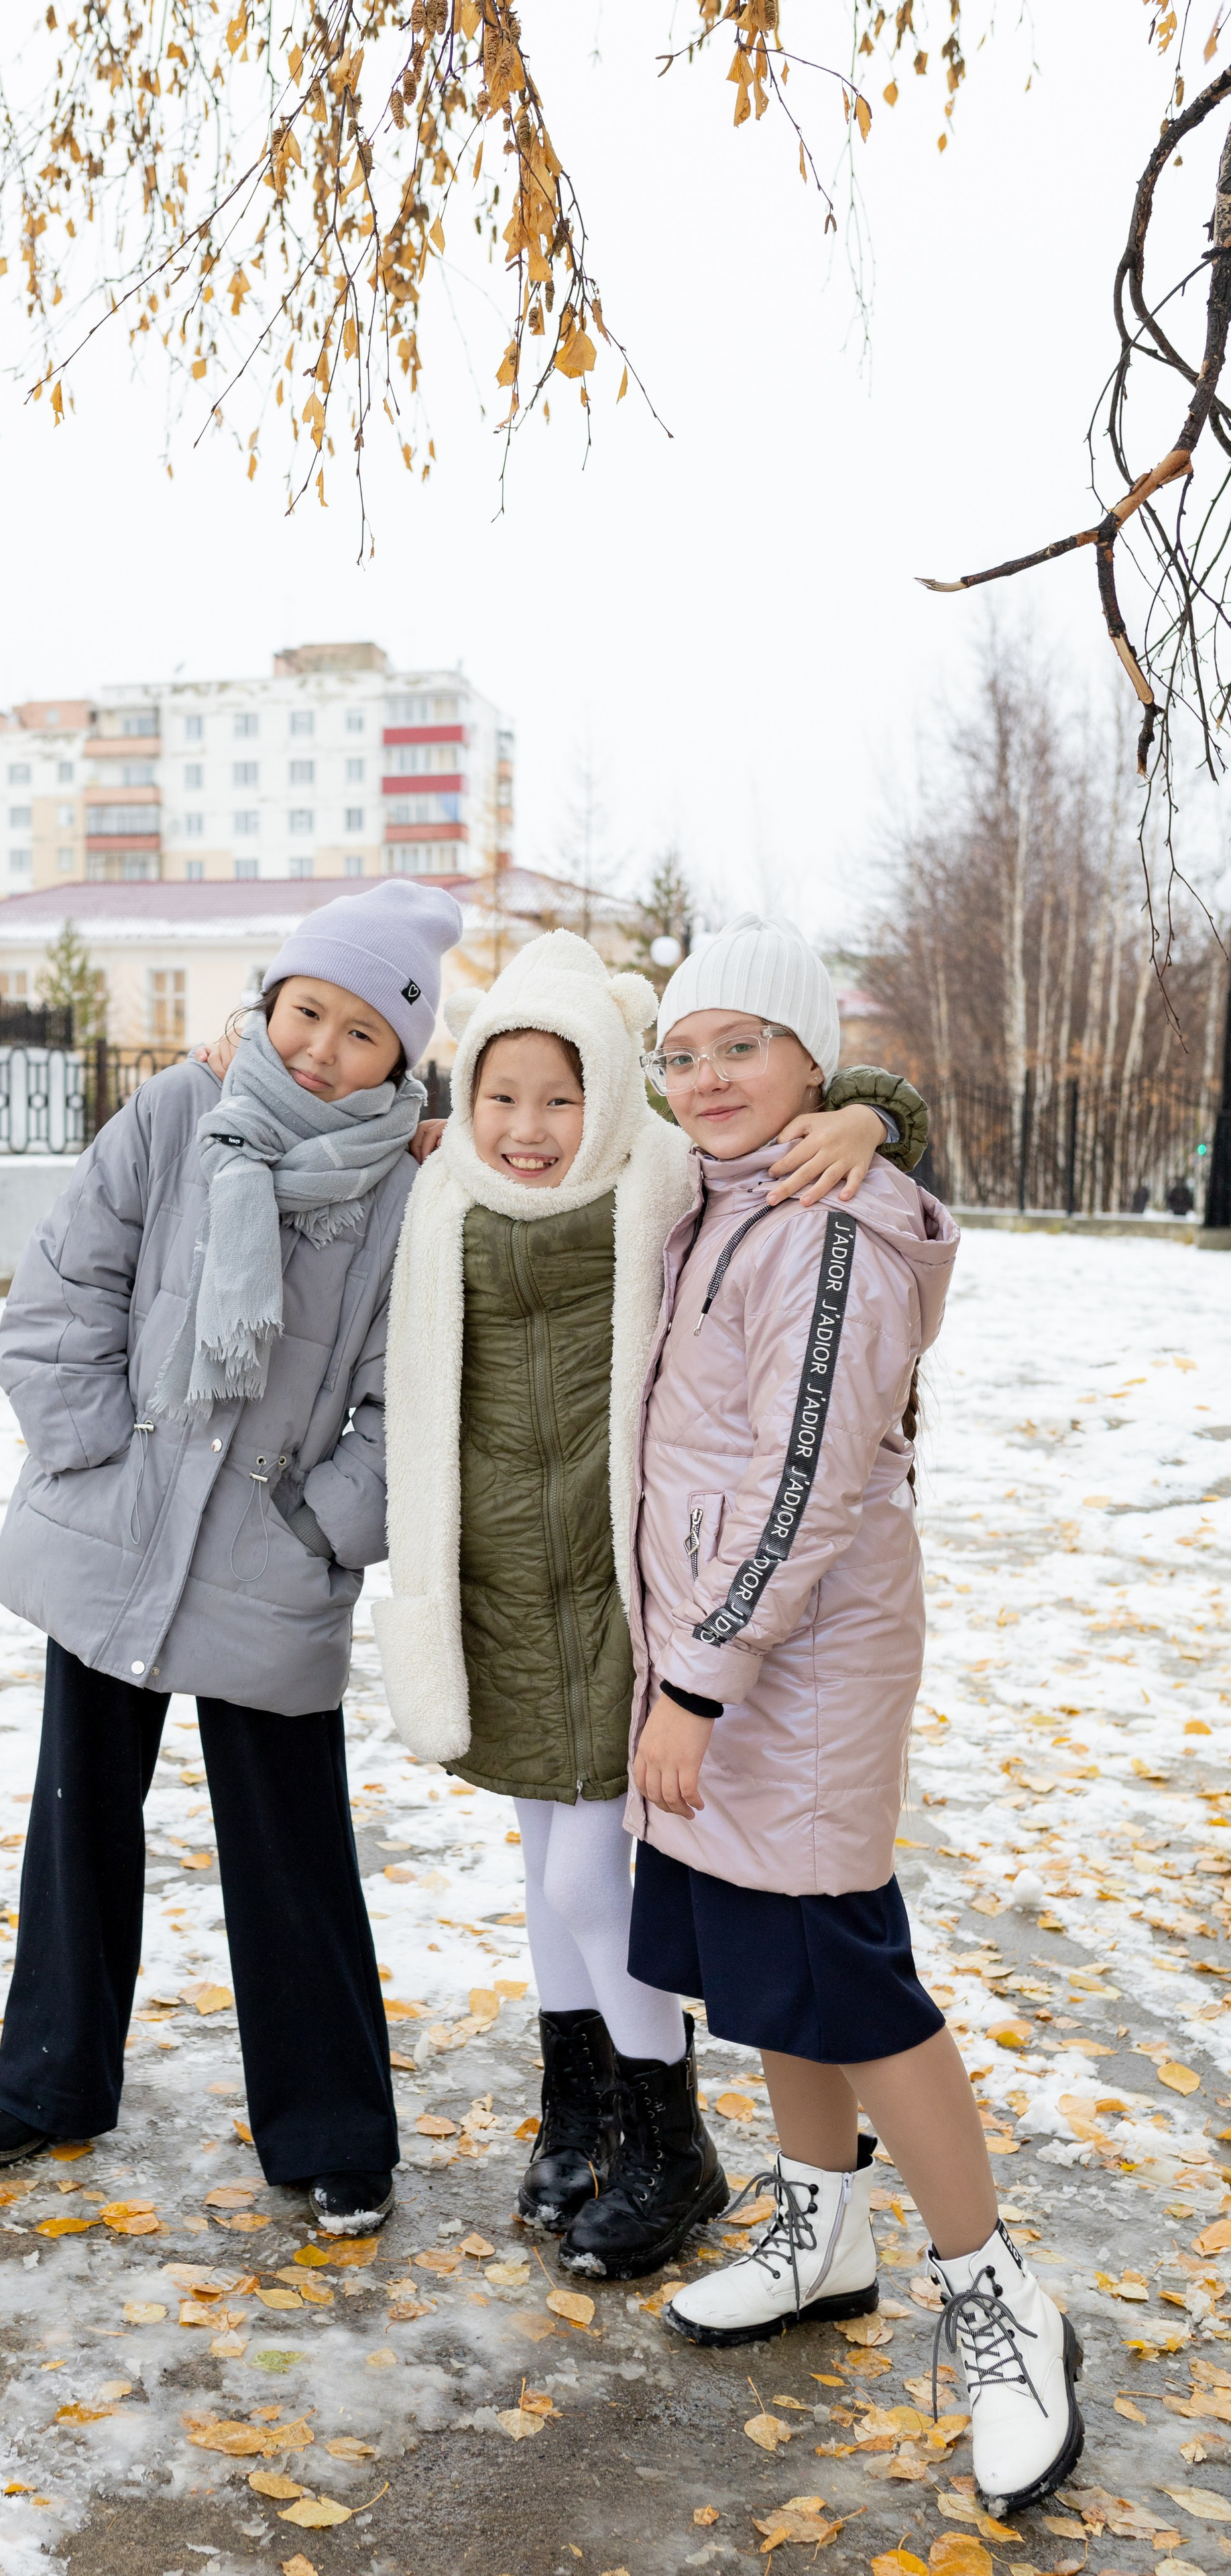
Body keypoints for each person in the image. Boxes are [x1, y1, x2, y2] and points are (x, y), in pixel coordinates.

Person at [375, 929, 930, 2280]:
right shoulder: (443, 1186)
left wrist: (872, 1110)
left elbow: (791, 1111)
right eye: (500, 1097)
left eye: (560, 1097)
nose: (526, 1128)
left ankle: (667, 2133)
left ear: (613, 1095)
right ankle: (578, 2110)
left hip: (626, 1586)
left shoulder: (661, 1172)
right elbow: (320, 1112)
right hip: (499, 1584)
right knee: (539, 1870)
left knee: (588, 1872)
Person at [626, 913, 1081, 2516]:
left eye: (738, 1045)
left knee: (847, 1972)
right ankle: (822, 2225)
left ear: (807, 1058)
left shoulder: (826, 1224)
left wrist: (697, 1678)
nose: (702, 1079)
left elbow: (801, 1480)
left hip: (786, 1669)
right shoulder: (721, 1195)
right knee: (759, 1950)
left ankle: (998, 2298)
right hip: (724, 1648)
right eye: (679, 1053)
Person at [0, 879, 464, 2238]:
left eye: (361, 1034)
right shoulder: (181, 1112)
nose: (319, 1049)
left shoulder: (409, 1188)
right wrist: (86, 1450)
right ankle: (51, 2079)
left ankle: (331, 2128)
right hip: (116, 1527)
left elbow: (405, 1398)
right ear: (268, 1000)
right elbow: (66, 1281)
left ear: (402, 1057)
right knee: (77, 1817)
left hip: (268, 1558)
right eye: (305, 1011)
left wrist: (323, 1528)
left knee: (290, 1850)